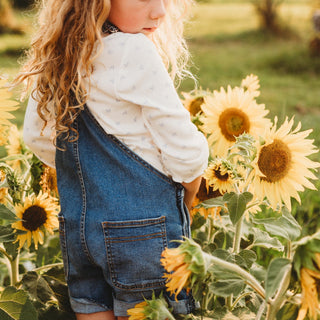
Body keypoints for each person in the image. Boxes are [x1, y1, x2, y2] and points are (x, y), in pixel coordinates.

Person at [16, 0, 209, 319]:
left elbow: (36, 137)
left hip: (80, 234)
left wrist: (92, 173)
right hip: (143, 235)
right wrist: (188, 196)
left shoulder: (60, 53)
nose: (160, 11)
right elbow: (186, 153)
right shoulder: (132, 50)